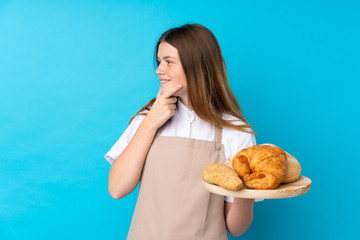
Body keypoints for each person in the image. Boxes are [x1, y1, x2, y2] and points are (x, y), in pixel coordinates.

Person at [105, 23, 261, 239]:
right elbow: (117, 189)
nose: (159, 70)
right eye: (159, 62)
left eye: (169, 62)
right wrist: (150, 123)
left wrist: (247, 188)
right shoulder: (148, 119)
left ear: (201, 67)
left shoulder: (236, 132)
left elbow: (236, 228)